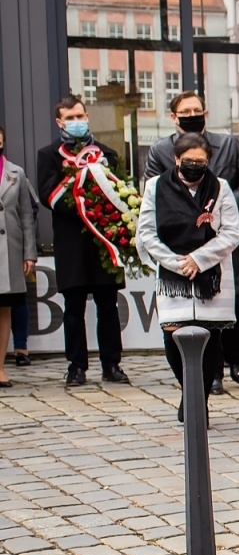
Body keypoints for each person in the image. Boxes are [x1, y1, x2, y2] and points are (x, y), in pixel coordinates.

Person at [145, 90, 239, 390]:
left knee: (235, 307)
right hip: (176, 255)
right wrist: (178, 261)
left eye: (197, 109)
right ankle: (196, 386)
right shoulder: (159, 153)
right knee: (174, 330)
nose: (192, 115)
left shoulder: (227, 147)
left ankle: (231, 361)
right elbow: (150, 222)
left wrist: (222, 207)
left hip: (217, 249)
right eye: (186, 111)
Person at [135, 132, 239, 419]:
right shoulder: (155, 186)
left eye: (201, 161)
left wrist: (199, 259)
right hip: (173, 278)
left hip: (212, 276)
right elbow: (147, 232)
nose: (195, 166)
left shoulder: (220, 188)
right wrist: (177, 263)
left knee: (210, 345)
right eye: (189, 160)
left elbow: (231, 233)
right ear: (176, 159)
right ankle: (188, 392)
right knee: (173, 340)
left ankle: (198, 402)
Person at [36, 94, 129, 387]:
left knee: (108, 306)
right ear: (59, 122)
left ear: (87, 116)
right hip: (71, 244)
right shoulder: (48, 155)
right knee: (74, 308)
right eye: (69, 118)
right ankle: (76, 366)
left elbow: (119, 194)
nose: (76, 122)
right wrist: (85, 205)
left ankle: (111, 364)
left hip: (103, 242)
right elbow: (49, 197)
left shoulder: (107, 154)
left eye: (80, 116)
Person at [0, 125, 38, 387]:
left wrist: (29, 253)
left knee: (4, 308)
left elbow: (27, 216)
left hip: (8, 252)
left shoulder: (16, 172)